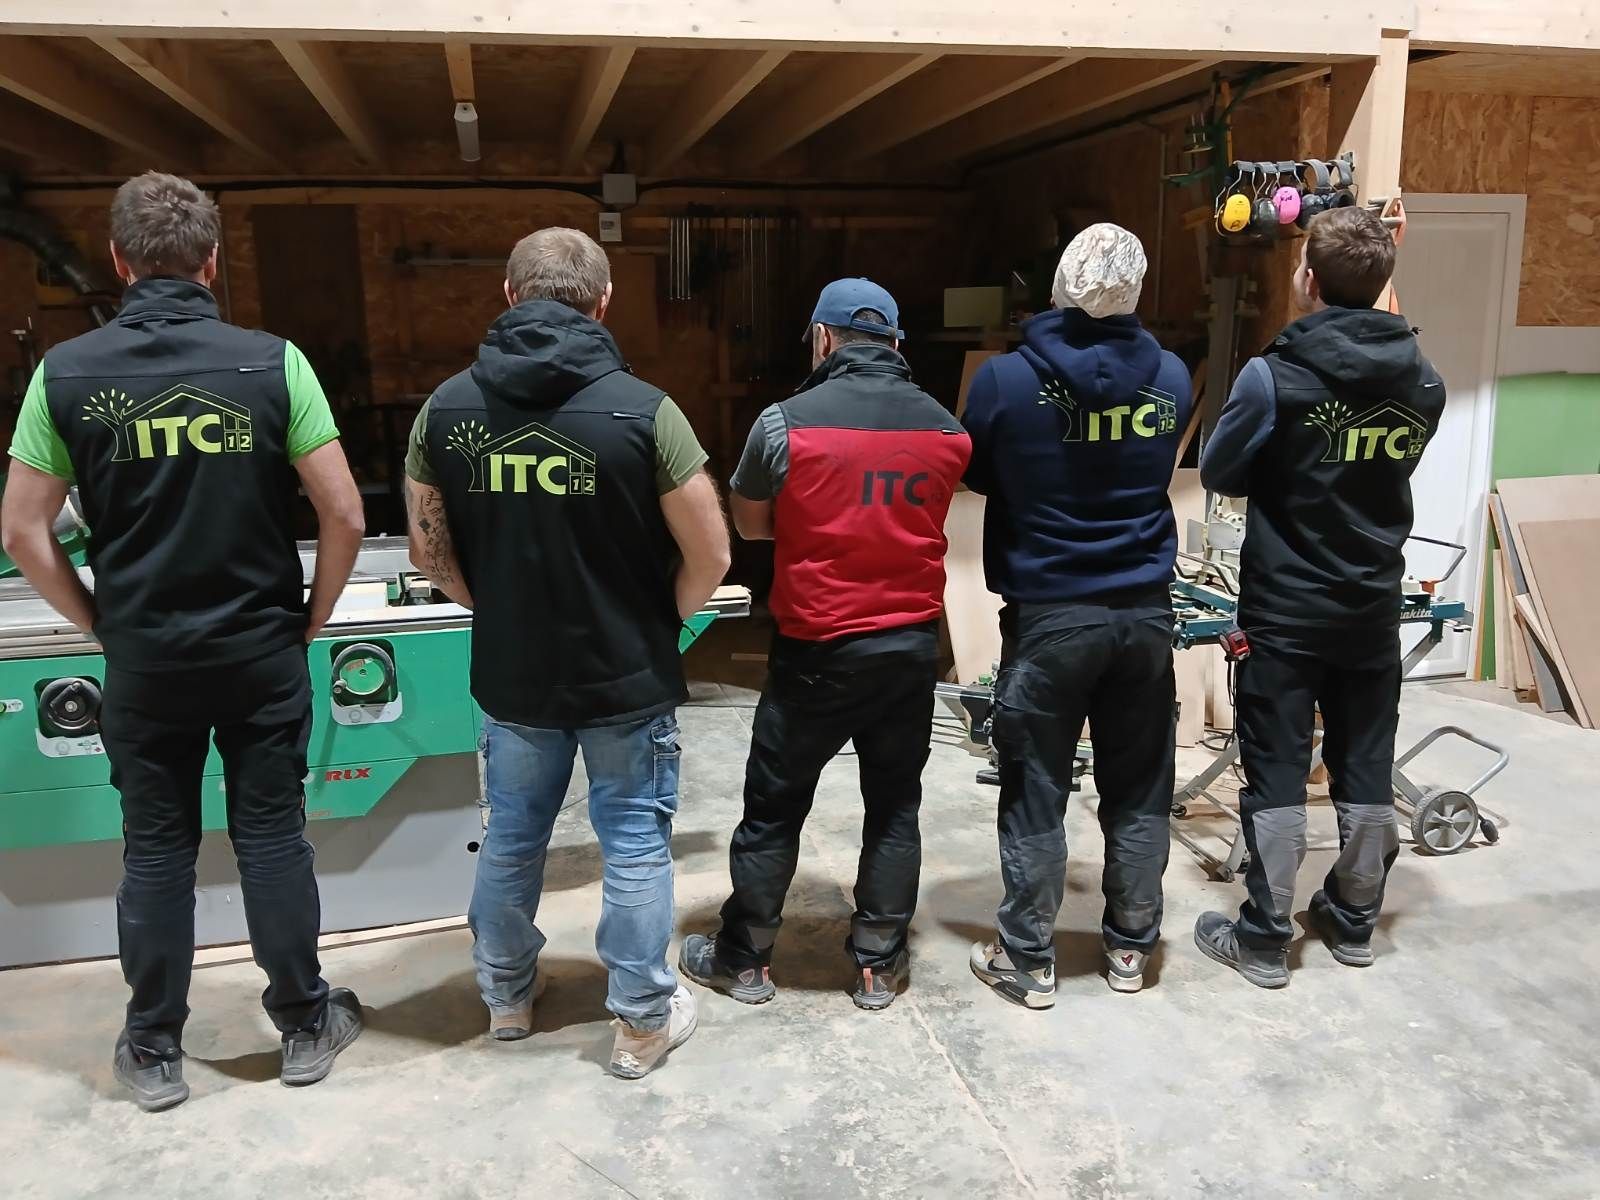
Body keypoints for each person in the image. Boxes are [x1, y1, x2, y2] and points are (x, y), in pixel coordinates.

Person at [0, 172, 367, 1111]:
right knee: (272, 838)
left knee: (155, 851)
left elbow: (23, 531)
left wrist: (95, 622)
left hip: (147, 663)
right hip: (258, 655)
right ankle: (301, 1022)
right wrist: (312, 616)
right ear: (212, 263)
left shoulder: (65, 373)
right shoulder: (273, 363)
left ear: (120, 262)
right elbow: (345, 515)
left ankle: (155, 1046)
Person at [403, 227, 729, 1077]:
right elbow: (713, 555)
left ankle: (507, 999)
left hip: (513, 675)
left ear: (510, 297)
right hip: (625, 674)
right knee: (632, 840)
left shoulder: (446, 409)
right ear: (603, 302)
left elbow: (428, 554)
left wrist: (503, 609)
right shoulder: (646, 412)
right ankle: (641, 1023)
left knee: (512, 837)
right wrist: (659, 625)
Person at [679, 278, 970, 1012]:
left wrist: (818, 523)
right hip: (906, 650)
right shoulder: (947, 430)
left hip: (815, 650)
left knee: (775, 808)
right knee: (895, 806)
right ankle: (876, 963)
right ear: (896, 345)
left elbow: (751, 526)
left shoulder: (783, 424)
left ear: (822, 339)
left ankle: (745, 959)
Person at [1193, 206, 1444, 987]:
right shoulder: (1423, 382)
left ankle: (1266, 938)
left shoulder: (1275, 376)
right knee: (1364, 765)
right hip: (1371, 606)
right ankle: (1354, 920)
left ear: (1306, 281)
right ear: (1384, 284)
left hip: (1287, 610)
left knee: (1274, 768)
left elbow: (1221, 472)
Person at [960, 224, 1192, 1006]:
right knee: (1140, 785)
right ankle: (1130, 947)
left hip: (1050, 613)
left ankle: (1028, 957)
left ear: (1057, 287)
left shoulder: (1002, 381)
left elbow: (985, 474)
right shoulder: (1172, 378)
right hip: (1143, 616)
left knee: (1035, 787)